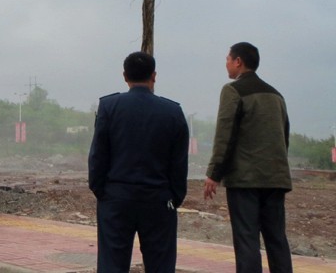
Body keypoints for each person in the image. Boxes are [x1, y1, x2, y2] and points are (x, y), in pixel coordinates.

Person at [88, 51, 189, 273]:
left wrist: (102, 192)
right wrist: (173, 198)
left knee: (112, 264)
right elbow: (179, 164)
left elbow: (98, 157)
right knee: (160, 265)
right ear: (154, 75)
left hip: (116, 199)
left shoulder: (109, 107)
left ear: (125, 76)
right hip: (159, 200)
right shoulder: (173, 112)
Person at [203, 42, 293, 273]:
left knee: (246, 241)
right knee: (277, 240)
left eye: (227, 59)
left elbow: (225, 134)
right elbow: (284, 136)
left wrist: (214, 174)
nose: (226, 64)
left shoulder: (233, 90)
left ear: (238, 62)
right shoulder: (276, 95)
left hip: (245, 181)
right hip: (276, 179)